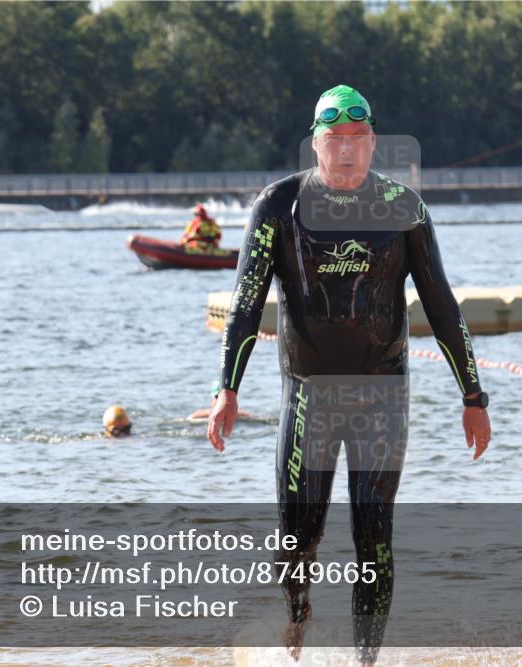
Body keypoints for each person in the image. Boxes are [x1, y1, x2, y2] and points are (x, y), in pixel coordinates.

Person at [207, 84, 492, 664]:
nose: (345, 150)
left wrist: (473, 394)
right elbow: (244, 304)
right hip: (307, 398)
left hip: (382, 396)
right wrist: (226, 391)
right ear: (316, 143)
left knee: (374, 539)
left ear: (373, 144)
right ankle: (296, 621)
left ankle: (366, 661)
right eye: (334, 139)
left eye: (357, 139)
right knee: (296, 543)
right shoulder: (277, 207)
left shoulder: (403, 208)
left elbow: (442, 304)